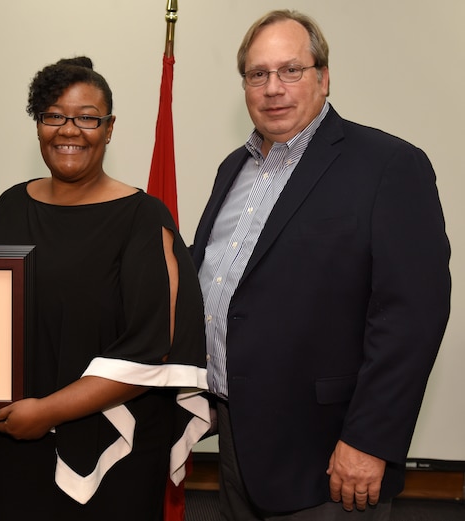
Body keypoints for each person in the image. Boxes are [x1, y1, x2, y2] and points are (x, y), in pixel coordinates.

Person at [190, 9, 451, 520]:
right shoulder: (233, 168)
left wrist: (369, 440)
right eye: (257, 74)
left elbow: (411, 318)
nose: (273, 88)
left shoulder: (388, 166)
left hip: (330, 458)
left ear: (324, 78)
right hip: (236, 442)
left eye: (291, 70)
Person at [0, 56, 208, 521]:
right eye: (54, 116)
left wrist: (48, 412)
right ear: (38, 125)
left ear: (109, 129)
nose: (69, 130)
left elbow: (154, 348)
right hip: (6, 439)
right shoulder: (9, 207)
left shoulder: (143, 218)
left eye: (87, 118)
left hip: (110, 447)